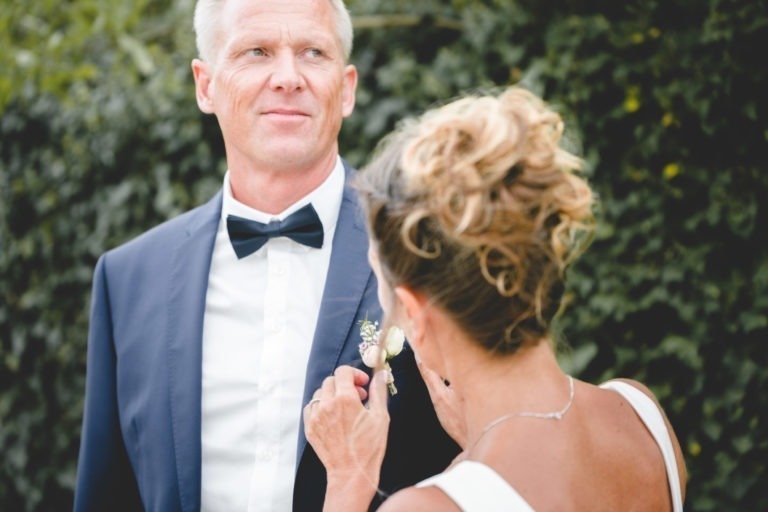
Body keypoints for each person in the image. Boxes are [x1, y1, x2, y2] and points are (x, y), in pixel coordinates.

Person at [73, 0, 458, 510]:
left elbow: (492, 460)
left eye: (312, 52)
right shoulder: (127, 280)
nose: (287, 77)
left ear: (346, 89)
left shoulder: (428, 252)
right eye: (256, 51)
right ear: (205, 85)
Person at [303, 86, 688, 511]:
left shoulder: (426, 508)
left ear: (414, 312)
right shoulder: (641, 416)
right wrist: (478, 441)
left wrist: (347, 482)